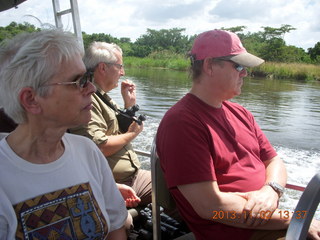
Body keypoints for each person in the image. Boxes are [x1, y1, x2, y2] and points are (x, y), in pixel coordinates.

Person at [156, 29, 320, 240]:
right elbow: (210, 206)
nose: (245, 73)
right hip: (237, 232)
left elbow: (274, 161)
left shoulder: (241, 113)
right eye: (239, 66)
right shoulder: (182, 123)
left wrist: (271, 190)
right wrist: (296, 218)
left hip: (269, 220)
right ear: (209, 65)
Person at [0, 30, 128, 239]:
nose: (92, 88)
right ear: (31, 100)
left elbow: (115, 229)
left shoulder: (87, 152)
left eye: (88, 78)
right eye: (79, 81)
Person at [69, 41, 151, 207]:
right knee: (176, 191)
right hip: (116, 183)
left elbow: (113, 130)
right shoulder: (89, 100)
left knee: (173, 182)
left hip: (130, 176)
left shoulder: (101, 96)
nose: (123, 72)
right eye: (119, 66)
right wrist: (133, 134)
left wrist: (129, 105)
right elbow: (100, 147)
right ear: (103, 68)